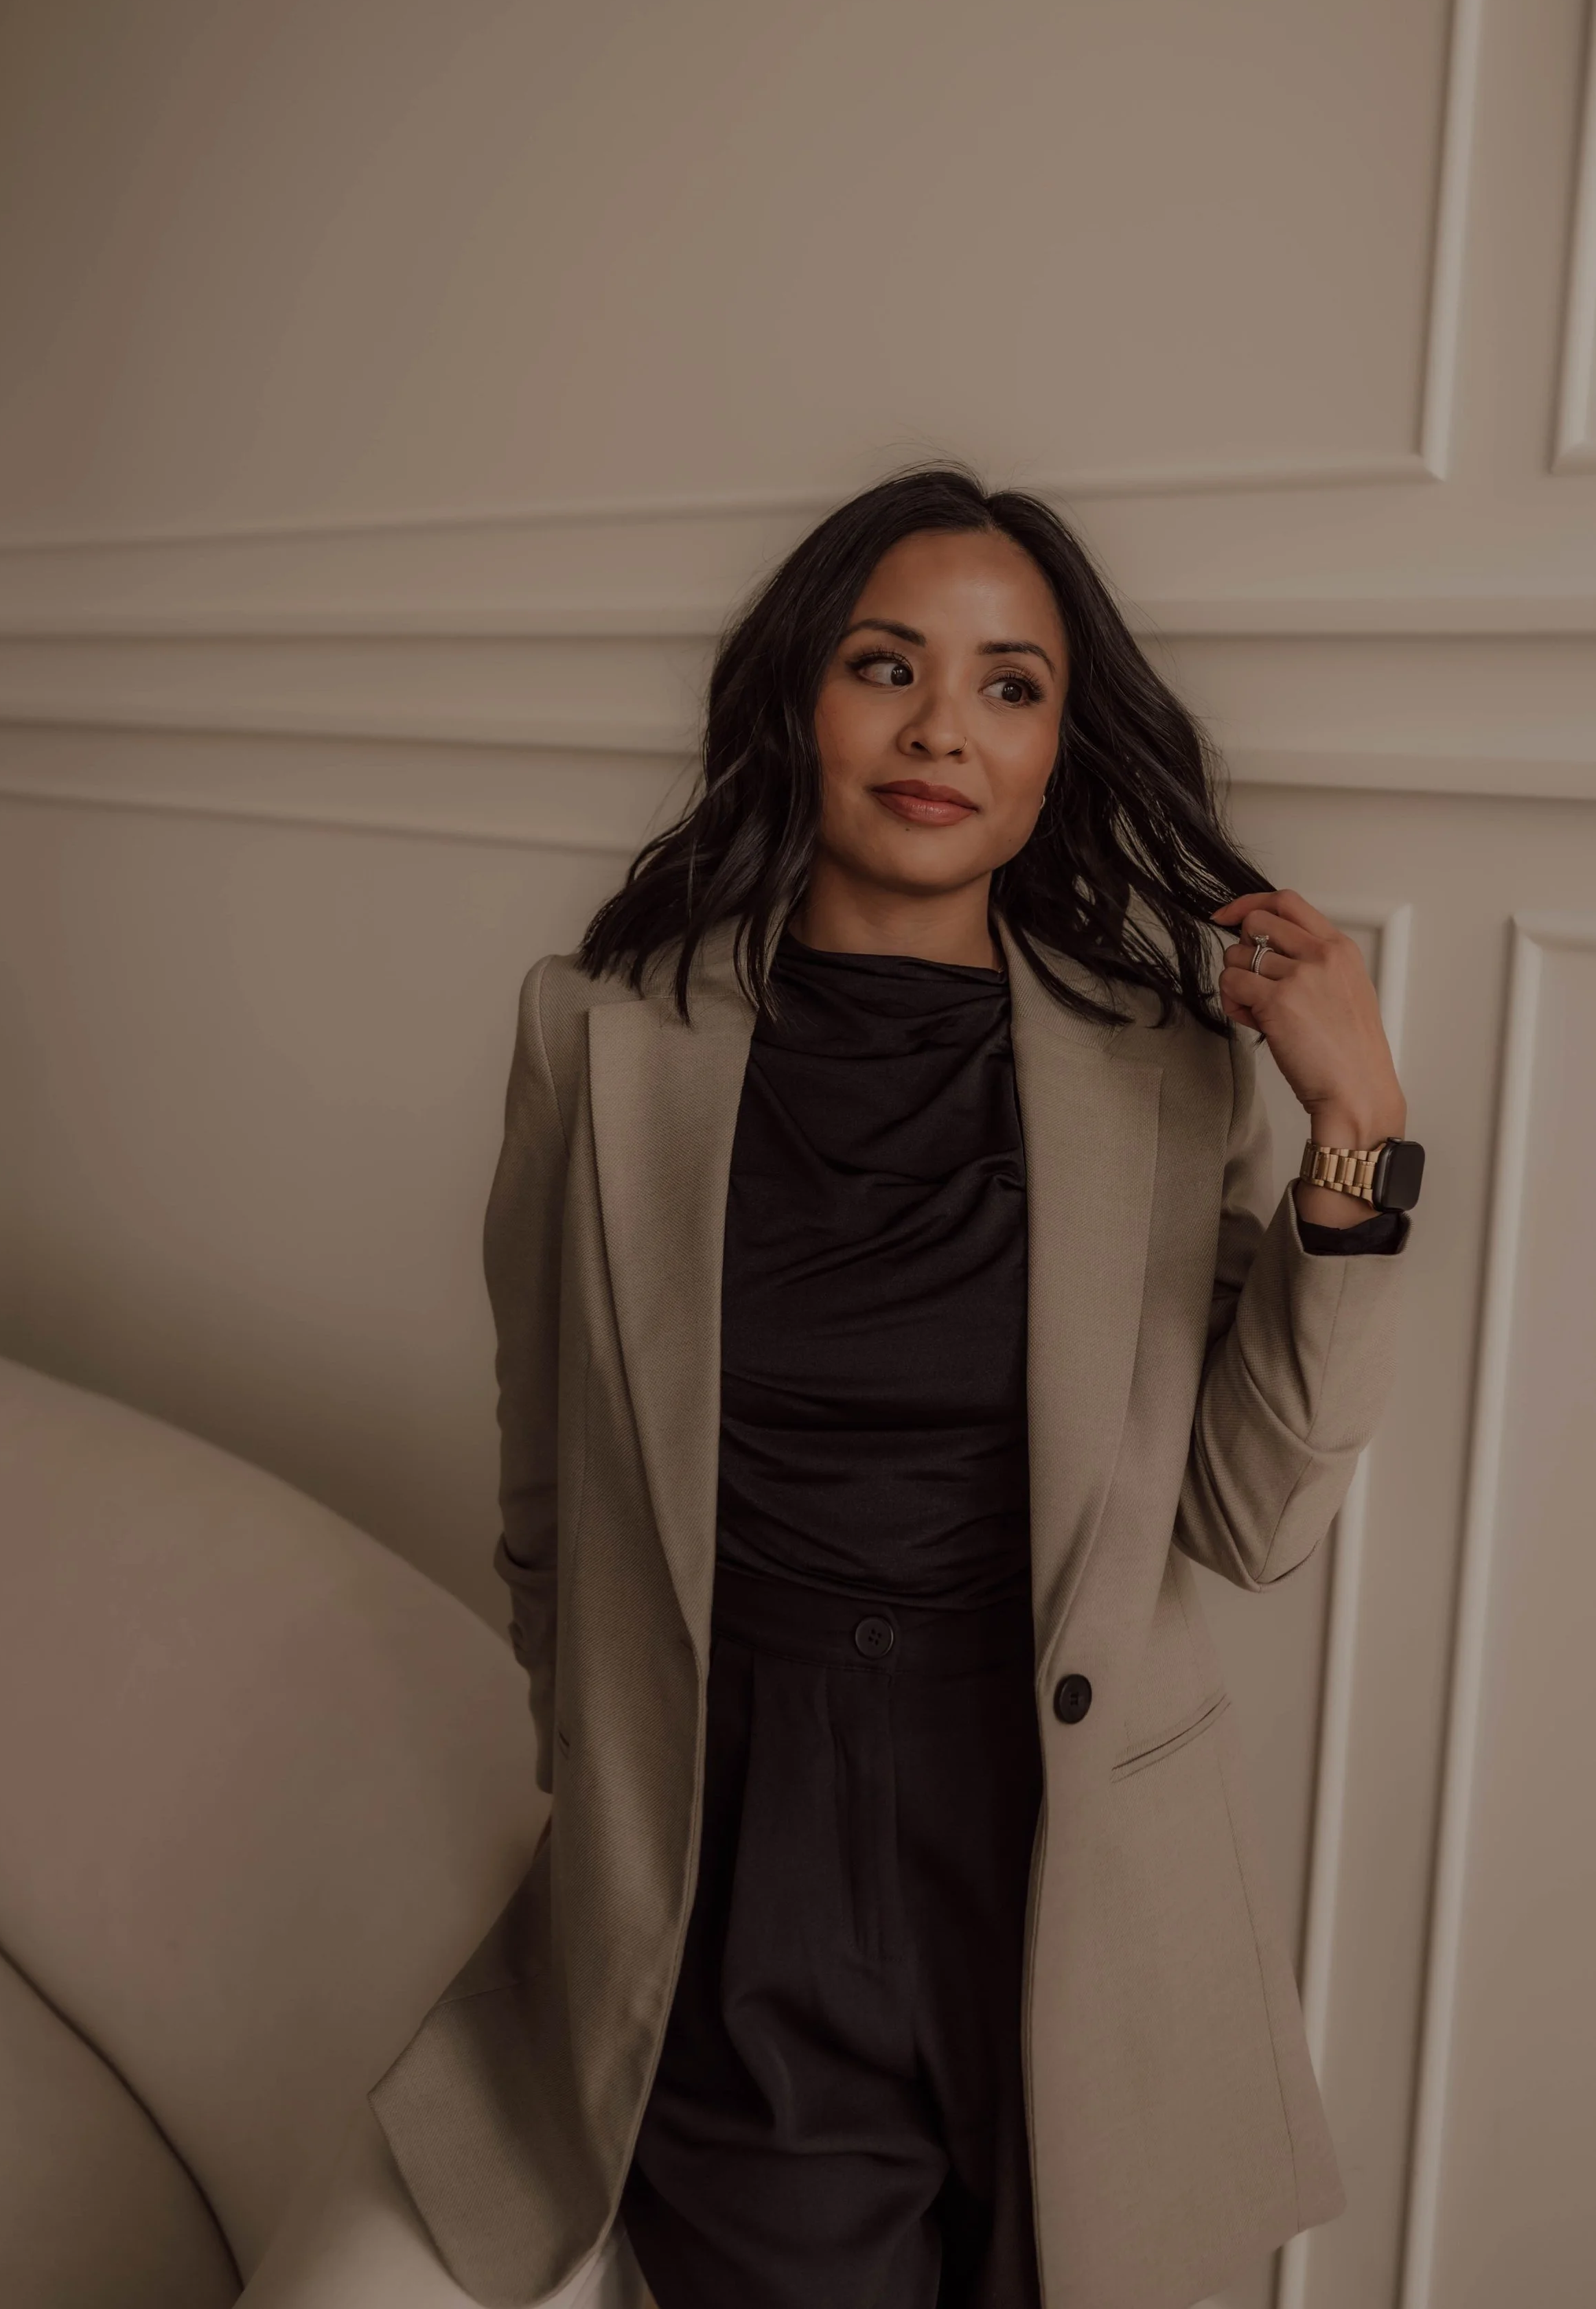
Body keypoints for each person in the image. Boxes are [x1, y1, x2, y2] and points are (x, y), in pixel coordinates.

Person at [372, 469, 1417, 2309]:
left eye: (1009, 685)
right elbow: (549, 1496)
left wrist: (1357, 1129)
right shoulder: (599, 1046)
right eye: (887, 666)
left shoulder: (1167, 1081)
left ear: (1056, 749)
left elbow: (1252, 1519)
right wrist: (617, 1792)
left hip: (1062, 1863)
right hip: (731, 1856)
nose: (943, 726)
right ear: (796, 700)